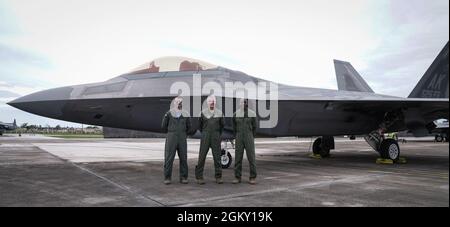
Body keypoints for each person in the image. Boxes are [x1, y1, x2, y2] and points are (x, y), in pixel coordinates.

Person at [195, 95, 224, 184]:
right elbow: (199, 126)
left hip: (216, 136)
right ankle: (199, 177)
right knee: (202, 157)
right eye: (210, 101)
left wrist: (217, 135)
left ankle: (218, 177)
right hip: (205, 136)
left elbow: (222, 126)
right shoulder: (203, 113)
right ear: (207, 103)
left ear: (215, 102)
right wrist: (205, 133)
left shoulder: (220, 113)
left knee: (217, 158)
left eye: (213, 101)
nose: (212, 102)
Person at [161, 97, 191, 185]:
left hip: (182, 138)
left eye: (180, 102)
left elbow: (189, 126)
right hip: (171, 137)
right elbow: (163, 126)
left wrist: (183, 133)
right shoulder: (169, 114)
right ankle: (167, 177)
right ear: (174, 103)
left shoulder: (185, 114)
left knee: (183, 158)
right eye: (177, 102)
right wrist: (172, 132)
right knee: (169, 158)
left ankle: (184, 177)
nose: (179, 103)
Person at [232, 99, 258, 184]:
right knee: (238, 157)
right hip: (239, 136)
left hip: (249, 136)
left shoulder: (252, 114)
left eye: (244, 102)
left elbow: (255, 127)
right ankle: (237, 177)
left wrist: (250, 135)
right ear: (239, 104)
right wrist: (237, 135)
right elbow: (234, 127)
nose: (243, 103)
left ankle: (252, 177)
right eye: (241, 102)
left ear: (246, 103)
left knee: (251, 157)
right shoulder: (236, 114)